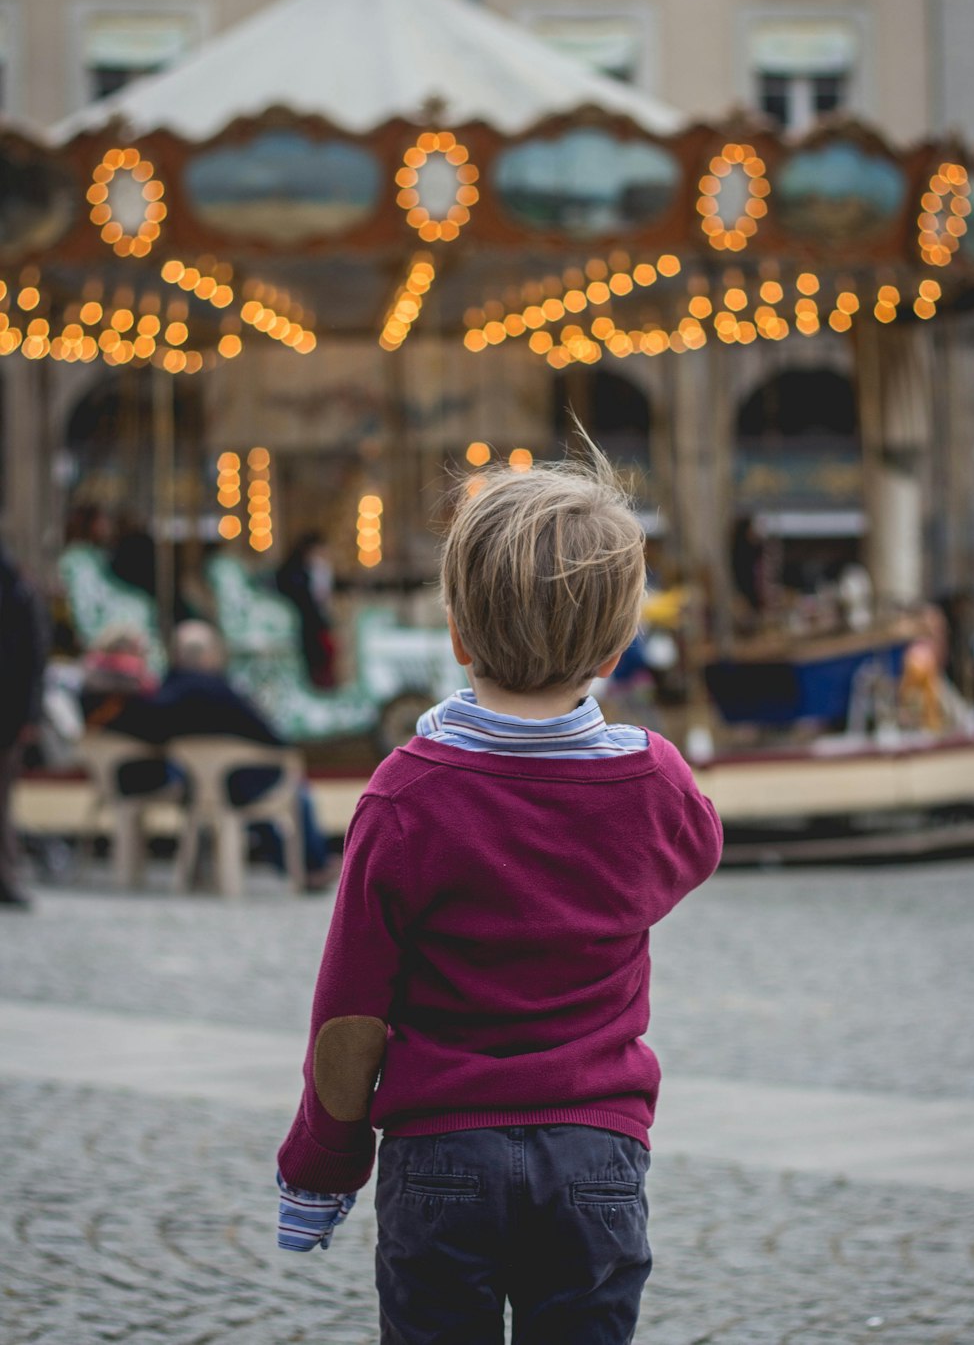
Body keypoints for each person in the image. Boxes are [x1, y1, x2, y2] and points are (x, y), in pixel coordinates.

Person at [274, 441, 723, 1342]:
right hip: (597, 1149)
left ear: (456, 632)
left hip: (441, 1154)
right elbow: (695, 852)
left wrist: (321, 1164)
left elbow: (350, 1010)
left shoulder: (407, 791)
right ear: (619, 641)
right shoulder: (651, 781)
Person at [106, 621, 338, 888]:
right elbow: (273, 740)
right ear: (208, 655)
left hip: (194, 787)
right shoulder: (223, 691)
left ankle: (296, 867)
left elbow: (153, 735)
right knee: (297, 791)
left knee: (245, 795)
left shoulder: (163, 694)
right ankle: (311, 866)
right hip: (238, 785)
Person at [0, 540, 50, 907]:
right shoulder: (18, 585)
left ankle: (5, 874)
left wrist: (29, 714)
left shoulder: (16, 586)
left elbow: (31, 656)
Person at [276, 532, 337, 689]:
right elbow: (309, 603)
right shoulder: (296, 573)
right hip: (305, 627)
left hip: (311, 625)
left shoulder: (311, 571)